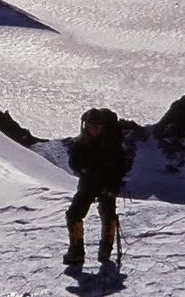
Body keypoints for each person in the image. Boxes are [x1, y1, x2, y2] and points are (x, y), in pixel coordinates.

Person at [63, 108, 126, 265]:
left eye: (97, 126)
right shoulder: (87, 143)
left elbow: (120, 165)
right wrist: (82, 169)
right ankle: (77, 252)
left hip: (104, 183)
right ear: (87, 126)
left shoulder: (110, 144)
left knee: (108, 216)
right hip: (90, 183)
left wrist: (114, 184)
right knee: (74, 215)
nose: (95, 129)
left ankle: (104, 251)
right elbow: (73, 162)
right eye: (93, 126)